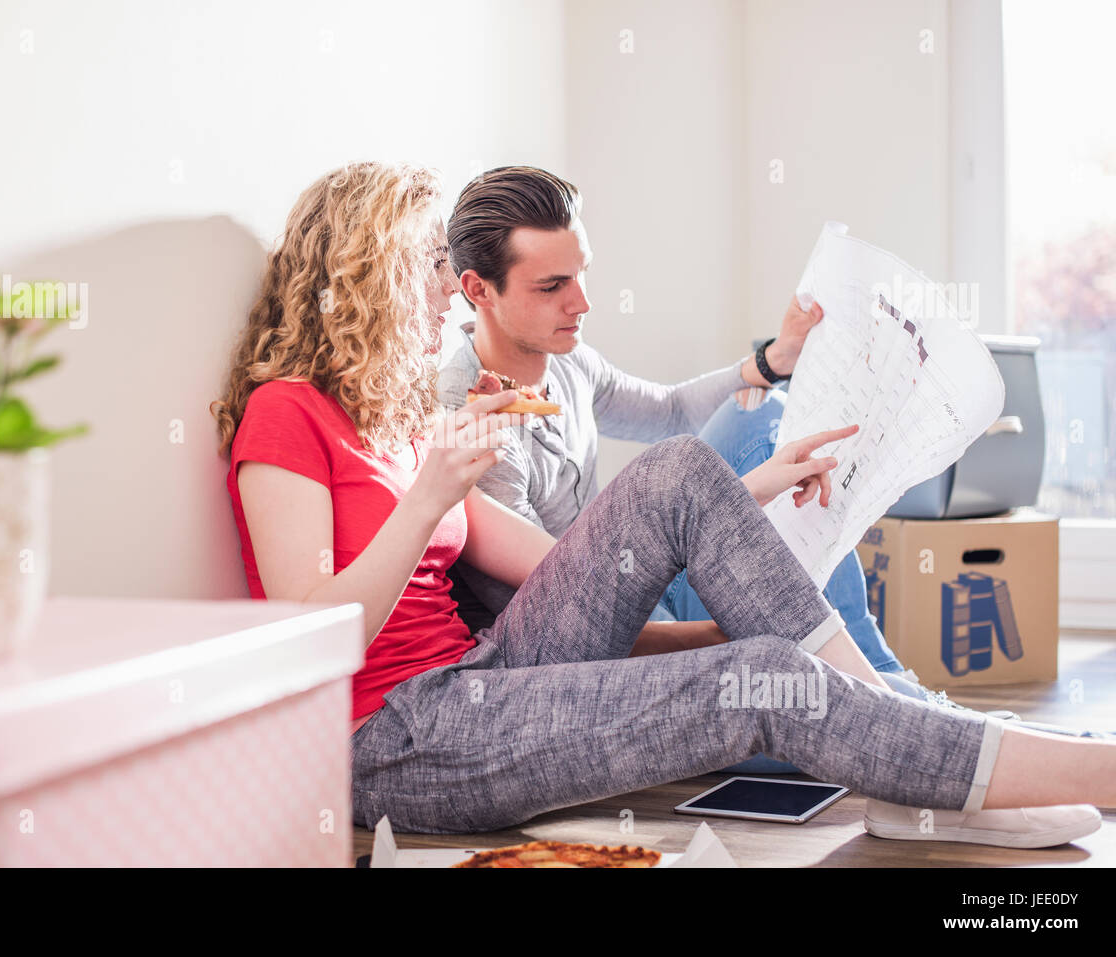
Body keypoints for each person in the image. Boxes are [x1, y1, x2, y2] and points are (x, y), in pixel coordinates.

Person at [211, 160, 1116, 845]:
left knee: (681, 473)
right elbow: (308, 638)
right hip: (393, 735)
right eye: (425, 263)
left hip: (481, 670)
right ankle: (1047, 766)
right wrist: (425, 500)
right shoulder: (286, 412)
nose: (447, 287)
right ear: (364, 274)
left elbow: (563, 570)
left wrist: (736, 529)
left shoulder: (406, 419)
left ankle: (907, 741)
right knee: (760, 684)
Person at [436, 166, 1025, 777]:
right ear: (479, 290)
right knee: (814, 711)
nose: (582, 302)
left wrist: (775, 360)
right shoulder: (467, 417)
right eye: (553, 285)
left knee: (757, 417)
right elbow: (560, 597)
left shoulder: (566, 357)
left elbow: (667, 410)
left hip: (639, 582)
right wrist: (722, 627)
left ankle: (887, 683)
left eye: (583, 273)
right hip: (591, 634)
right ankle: (917, 716)